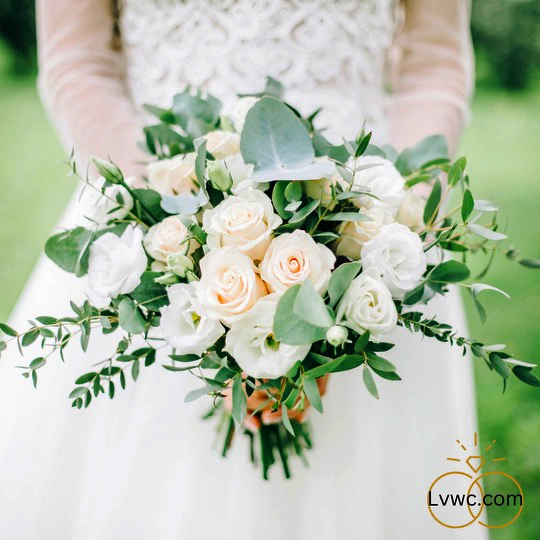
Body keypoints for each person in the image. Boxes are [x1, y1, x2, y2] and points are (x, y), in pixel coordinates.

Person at [0, 1, 485, 538]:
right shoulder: (166, 232)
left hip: (369, 229)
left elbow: (433, 65)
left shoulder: (376, 236)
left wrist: (380, 231)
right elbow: (78, 63)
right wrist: (184, 236)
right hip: (153, 232)